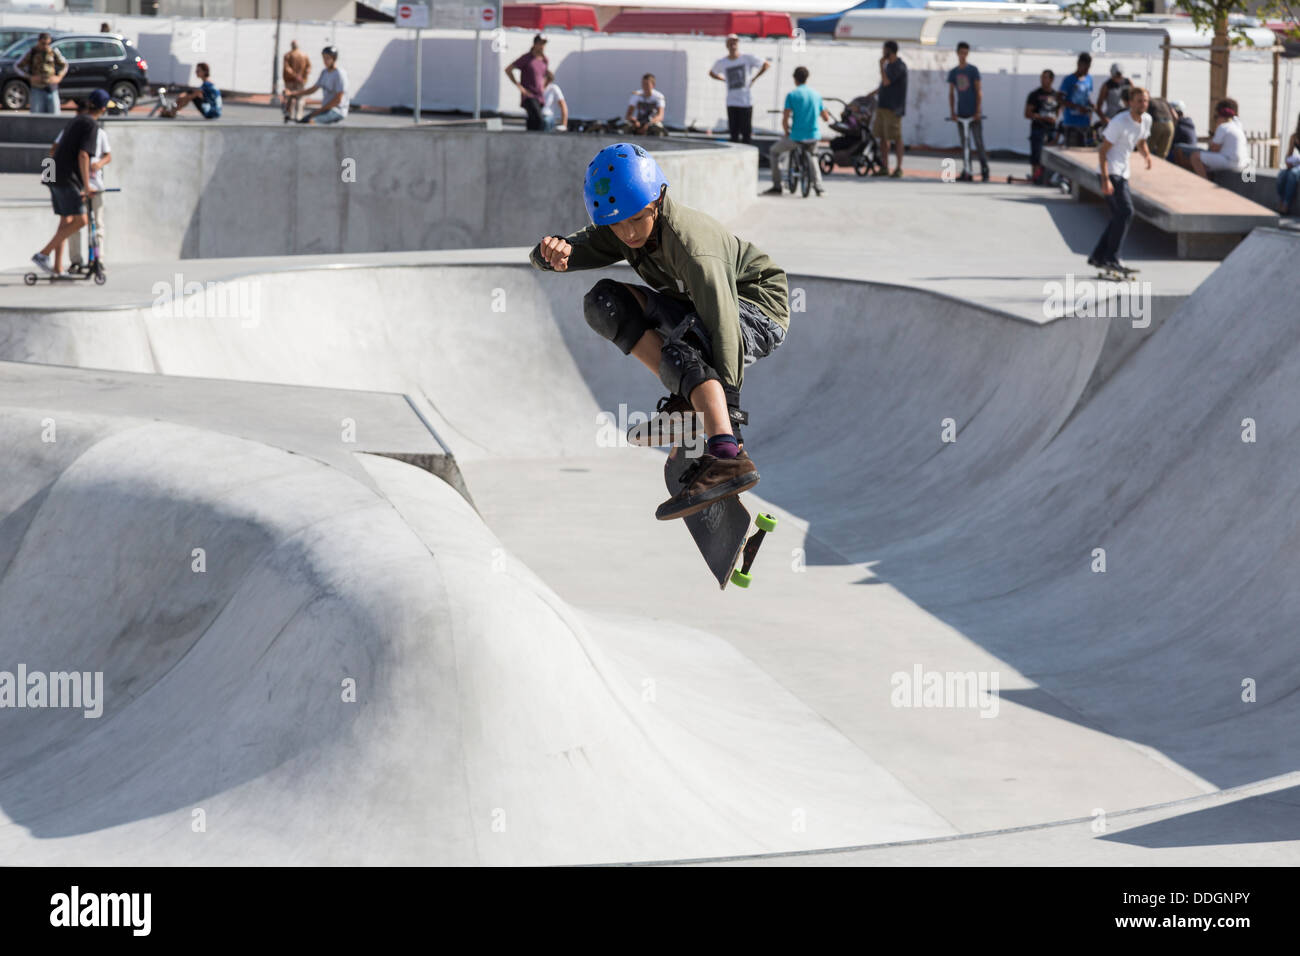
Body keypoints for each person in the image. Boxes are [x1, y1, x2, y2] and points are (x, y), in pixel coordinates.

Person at [529, 143, 790, 520]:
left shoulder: (691, 246)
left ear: (657, 199)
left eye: (637, 219)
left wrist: (727, 419)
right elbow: (574, 251)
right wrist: (549, 254)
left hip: (757, 307)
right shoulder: (621, 227)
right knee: (605, 303)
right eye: (617, 224)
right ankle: (689, 400)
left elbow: (723, 325)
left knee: (690, 345)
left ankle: (727, 456)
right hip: (700, 308)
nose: (628, 233)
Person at [32, 90, 109, 277]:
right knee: (81, 221)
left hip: (55, 176)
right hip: (68, 178)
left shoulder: (76, 120)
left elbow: (54, 149)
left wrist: (48, 175)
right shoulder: (92, 125)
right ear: (104, 108)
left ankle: (57, 268)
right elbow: (83, 155)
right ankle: (43, 254)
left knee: (65, 221)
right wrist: (87, 185)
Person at [1088, 86, 1152, 274]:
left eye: (1146, 101)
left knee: (1119, 215)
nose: (1143, 104)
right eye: (1139, 101)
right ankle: (1112, 258)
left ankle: (1098, 256)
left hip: (1123, 172)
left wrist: (1146, 155)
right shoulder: (1119, 122)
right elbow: (1103, 151)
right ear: (1130, 103)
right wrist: (1105, 179)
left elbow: (1140, 141)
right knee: (1126, 212)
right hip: (1110, 172)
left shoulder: (1147, 119)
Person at [51, 93, 111, 270]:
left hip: (90, 184)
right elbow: (59, 152)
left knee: (94, 223)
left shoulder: (97, 131)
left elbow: (107, 155)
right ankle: (72, 260)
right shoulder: (78, 127)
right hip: (77, 183)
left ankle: (97, 258)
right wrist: (50, 177)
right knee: (75, 222)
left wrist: (98, 164)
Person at [764, 66, 833, 197]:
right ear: (807, 78)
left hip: (796, 136)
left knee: (774, 152)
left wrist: (786, 132)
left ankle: (777, 185)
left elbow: (785, 119)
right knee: (812, 156)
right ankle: (819, 186)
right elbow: (825, 118)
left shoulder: (792, 95)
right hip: (813, 136)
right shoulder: (816, 95)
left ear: (794, 79)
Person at [709, 34, 770, 145]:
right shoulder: (722, 62)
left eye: (735, 42)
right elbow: (712, 73)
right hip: (732, 102)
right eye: (731, 42)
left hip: (745, 102)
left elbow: (766, 65)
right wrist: (723, 79)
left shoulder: (746, 58)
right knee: (734, 135)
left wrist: (754, 79)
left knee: (746, 134)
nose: (733, 45)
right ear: (727, 45)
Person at [1177, 99, 1249, 179]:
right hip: (1242, 162)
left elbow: (1214, 148)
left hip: (1230, 162)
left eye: (1216, 117)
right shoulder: (1237, 126)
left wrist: (1211, 142)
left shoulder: (1223, 127)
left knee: (1195, 156)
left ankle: (1204, 182)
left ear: (1221, 117)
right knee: (1203, 158)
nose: (1215, 120)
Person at [947, 41, 988, 182]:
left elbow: (979, 91)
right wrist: (953, 112)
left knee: (978, 142)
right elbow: (951, 93)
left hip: (973, 113)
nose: (963, 56)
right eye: (961, 53)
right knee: (965, 143)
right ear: (957, 53)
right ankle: (967, 169)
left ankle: (984, 169)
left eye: (965, 53)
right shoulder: (954, 72)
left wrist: (977, 111)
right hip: (961, 113)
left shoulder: (973, 70)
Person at [871, 40, 907, 177]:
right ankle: (884, 166)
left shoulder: (899, 66)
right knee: (883, 138)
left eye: (884, 49)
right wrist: (871, 94)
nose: (882, 52)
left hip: (893, 108)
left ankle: (898, 167)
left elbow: (886, 81)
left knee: (896, 137)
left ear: (890, 51)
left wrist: (881, 65)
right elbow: (883, 86)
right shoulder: (889, 66)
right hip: (883, 106)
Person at [286, 47, 349, 124]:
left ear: (334, 59)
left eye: (328, 58)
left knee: (312, 122)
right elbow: (313, 89)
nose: (325, 61)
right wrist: (292, 93)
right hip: (325, 109)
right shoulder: (324, 72)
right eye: (324, 58)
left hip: (337, 110)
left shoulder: (339, 74)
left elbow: (338, 99)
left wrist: (319, 110)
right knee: (303, 121)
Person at [15, 33, 67, 115]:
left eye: (48, 44)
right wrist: (29, 77)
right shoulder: (32, 52)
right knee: (37, 115)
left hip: (51, 88)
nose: (45, 46)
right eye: (43, 43)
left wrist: (59, 77)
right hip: (37, 88)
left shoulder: (53, 51)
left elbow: (65, 65)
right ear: (39, 41)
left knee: (54, 115)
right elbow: (17, 66)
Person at [505, 33, 548, 132]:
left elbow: (545, 75)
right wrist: (520, 87)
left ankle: (529, 143)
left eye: (544, 44)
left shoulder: (544, 60)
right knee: (539, 120)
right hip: (529, 96)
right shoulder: (527, 58)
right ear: (535, 44)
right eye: (540, 43)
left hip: (539, 97)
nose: (542, 46)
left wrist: (544, 86)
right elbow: (508, 70)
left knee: (533, 122)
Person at [1024, 69, 1060, 183]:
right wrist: (1042, 117)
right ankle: (1035, 176)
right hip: (1038, 128)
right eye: (1041, 77)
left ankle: (1048, 177)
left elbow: (1058, 111)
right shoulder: (1034, 95)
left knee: (1051, 153)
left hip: (1051, 129)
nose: (1042, 80)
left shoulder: (1056, 95)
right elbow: (1027, 113)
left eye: (1045, 78)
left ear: (1052, 80)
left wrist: (1055, 118)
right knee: (1036, 153)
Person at [1059, 52, 1095, 147]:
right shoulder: (1069, 80)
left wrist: (1091, 105)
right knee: (1072, 151)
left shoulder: (1089, 79)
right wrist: (1076, 107)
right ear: (1079, 64)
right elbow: (1059, 98)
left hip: (1085, 122)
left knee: (1084, 151)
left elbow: (1087, 97)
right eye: (1085, 67)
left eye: (1089, 67)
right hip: (1072, 122)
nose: (1087, 70)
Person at [282, 41, 311, 123]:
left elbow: (287, 68)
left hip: (290, 80)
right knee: (300, 98)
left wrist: (295, 76)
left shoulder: (288, 55)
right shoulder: (304, 55)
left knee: (289, 97)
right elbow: (308, 68)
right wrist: (303, 77)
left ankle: (289, 114)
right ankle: (299, 115)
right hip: (300, 81)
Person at [1276, 113, 1300, 214]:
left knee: (1292, 174)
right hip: (1297, 164)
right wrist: (1289, 162)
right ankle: (1282, 201)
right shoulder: (1294, 136)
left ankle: (1286, 204)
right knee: (1282, 174)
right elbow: (1288, 155)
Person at [1145, 95, 1176, 159]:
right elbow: (1175, 116)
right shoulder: (1163, 100)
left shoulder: (1147, 101)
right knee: (1162, 154)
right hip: (1170, 125)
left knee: (1147, 150)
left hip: (1156, 123)